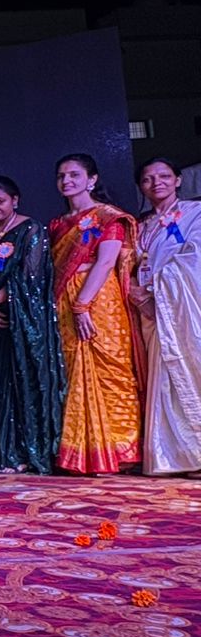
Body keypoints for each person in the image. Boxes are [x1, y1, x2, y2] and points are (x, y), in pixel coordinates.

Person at [49, 154, 144, 475]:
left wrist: (82, 305)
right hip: (65, 298)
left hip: (99, 298)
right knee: (74, 370)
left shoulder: (109, 217)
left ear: (91, 180)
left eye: (74, 175)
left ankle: (121, 450)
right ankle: (83, 454)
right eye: (61, 176)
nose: (67, 181)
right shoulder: (58, 225)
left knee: (111, 368)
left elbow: (105, 263)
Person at [0, 177, 63, 474]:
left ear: (15, 200)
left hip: (18, 318)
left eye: (0, 201)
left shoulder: (30, 229)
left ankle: (23, 451)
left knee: (19, 379)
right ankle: (1, 452)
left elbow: (29, 275)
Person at [130, 157, 201, 476]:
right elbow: (129, 265)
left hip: (184, 308)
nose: (156, 183)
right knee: (162, 380)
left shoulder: (195, 214)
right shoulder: (140, 225)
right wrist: (136, 292)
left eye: (164, 176)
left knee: (190, 369)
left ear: (177, 180)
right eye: (148, 179)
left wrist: (156, 290)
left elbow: (195, 257)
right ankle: (174, 455)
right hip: (149, 312)